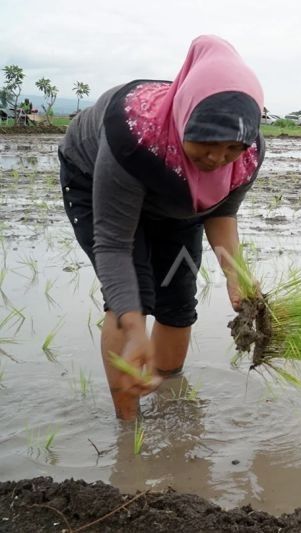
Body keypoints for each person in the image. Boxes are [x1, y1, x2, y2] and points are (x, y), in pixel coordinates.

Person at [58, 35, 265, 420]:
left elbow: (221, 214)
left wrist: (237, 278)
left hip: (177, 199)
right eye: (206, 142)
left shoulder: (248, 154)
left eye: (232, 148)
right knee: (131, 295)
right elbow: (114, 244)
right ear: (185, 119)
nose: (218, 158)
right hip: (99, 179)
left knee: (178, 294)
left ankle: (170, 404)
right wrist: (134, 327)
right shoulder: (133, 135)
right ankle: (129, 426)